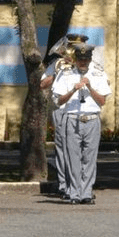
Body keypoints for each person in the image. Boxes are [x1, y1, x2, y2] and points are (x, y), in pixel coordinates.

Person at [51, 42, 112, 205]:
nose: (83, 62)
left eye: (86, 59)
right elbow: (58, 101)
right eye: (80, 59)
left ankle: (86, 192)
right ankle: (74, 193)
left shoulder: (98, 74)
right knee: (73, 158)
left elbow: (102, 101)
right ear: (76, 59)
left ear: (90, 59)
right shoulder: (65, 74)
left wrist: (90, 87)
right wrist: (72, 90)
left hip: (92, 119)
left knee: (89, 159)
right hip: (72, 120)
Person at [40, 32, 88, 200]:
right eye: (72, 47)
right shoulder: (58, 64)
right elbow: (43, 84)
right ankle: (65, 185)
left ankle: (82, 188)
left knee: (84, 151)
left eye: (79, 48)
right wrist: (57, 72)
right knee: (63, 148)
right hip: (62, 109)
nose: (74, 51)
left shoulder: (90, 65)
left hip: (84, 109)